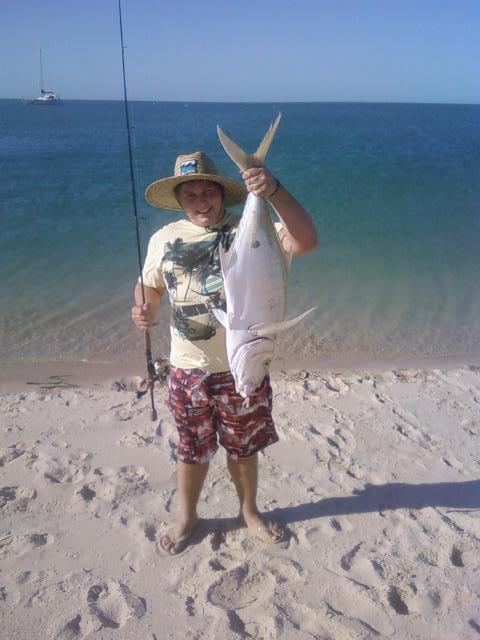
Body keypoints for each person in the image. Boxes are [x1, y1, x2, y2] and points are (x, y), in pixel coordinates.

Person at [131, 149, 317, 554]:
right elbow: (151, 285)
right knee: (191, 450)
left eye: (207, 192)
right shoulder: (164, 239)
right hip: (186, 369)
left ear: (221, 193)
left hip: (241, 370)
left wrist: (273, 191)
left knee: (244, 448)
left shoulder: (250, 230)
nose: (201, 201)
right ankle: (187, 515)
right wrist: (145, 309)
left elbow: (306, 240)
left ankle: (249, 510)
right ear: (180, 201)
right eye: (191, 195)